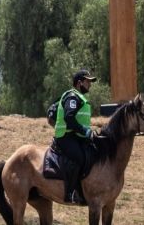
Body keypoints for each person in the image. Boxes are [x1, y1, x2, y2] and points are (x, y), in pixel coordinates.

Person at [52, 69, 98, 204]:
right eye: (87, 82)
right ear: (79, 83)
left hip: (77, 137)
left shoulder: (80, 97)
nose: (90, 84)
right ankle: (70, 193)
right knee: (79, 157)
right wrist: (85, 131)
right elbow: (69, 118)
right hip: (65, 137)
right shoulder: (72, 97)